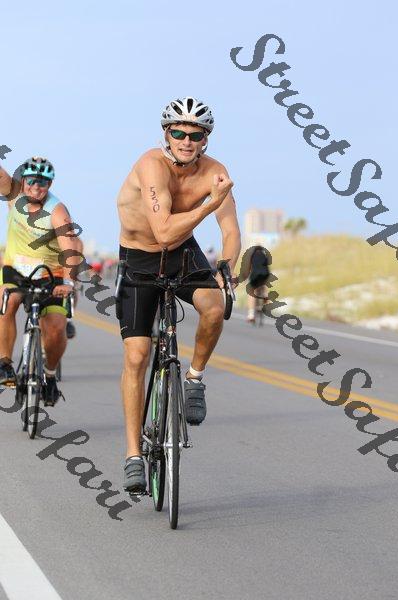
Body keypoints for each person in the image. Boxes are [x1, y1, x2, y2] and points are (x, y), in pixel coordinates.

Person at [116, 96, 241, 493]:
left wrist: (226, 266)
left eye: (196, 135)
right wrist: (208, 205)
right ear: (166, 134)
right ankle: (133, 455)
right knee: (137, 355)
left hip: (182, 255)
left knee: (214, 307)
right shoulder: (151, 165)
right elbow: (164, 231)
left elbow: (230, 230)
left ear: (206, 139)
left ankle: (194, 378)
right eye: (179, 133)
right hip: (140, 259)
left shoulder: (215, 172)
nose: (187, 141)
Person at [0, 157, 79, 405]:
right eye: (32, 181)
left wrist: (68, 283)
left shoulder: (57, 211)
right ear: (23, 181)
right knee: (7, 302)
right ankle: (5, 364)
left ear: (50, 184)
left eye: (43, 182)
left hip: (49, 275)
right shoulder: (14, 194)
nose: (36, 187)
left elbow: (70, 248)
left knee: (55, 329)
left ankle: (50, 374)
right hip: (15, 269)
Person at [240, 245, 271, 322]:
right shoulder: (264, 255)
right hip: (265, 274)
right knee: (263, 287)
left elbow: (247, 267)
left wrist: (244, 278)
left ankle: (251, 315)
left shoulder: (251, 255)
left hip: (255, 275)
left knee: (252, 292)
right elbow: (267, 267)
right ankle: (264, 299)